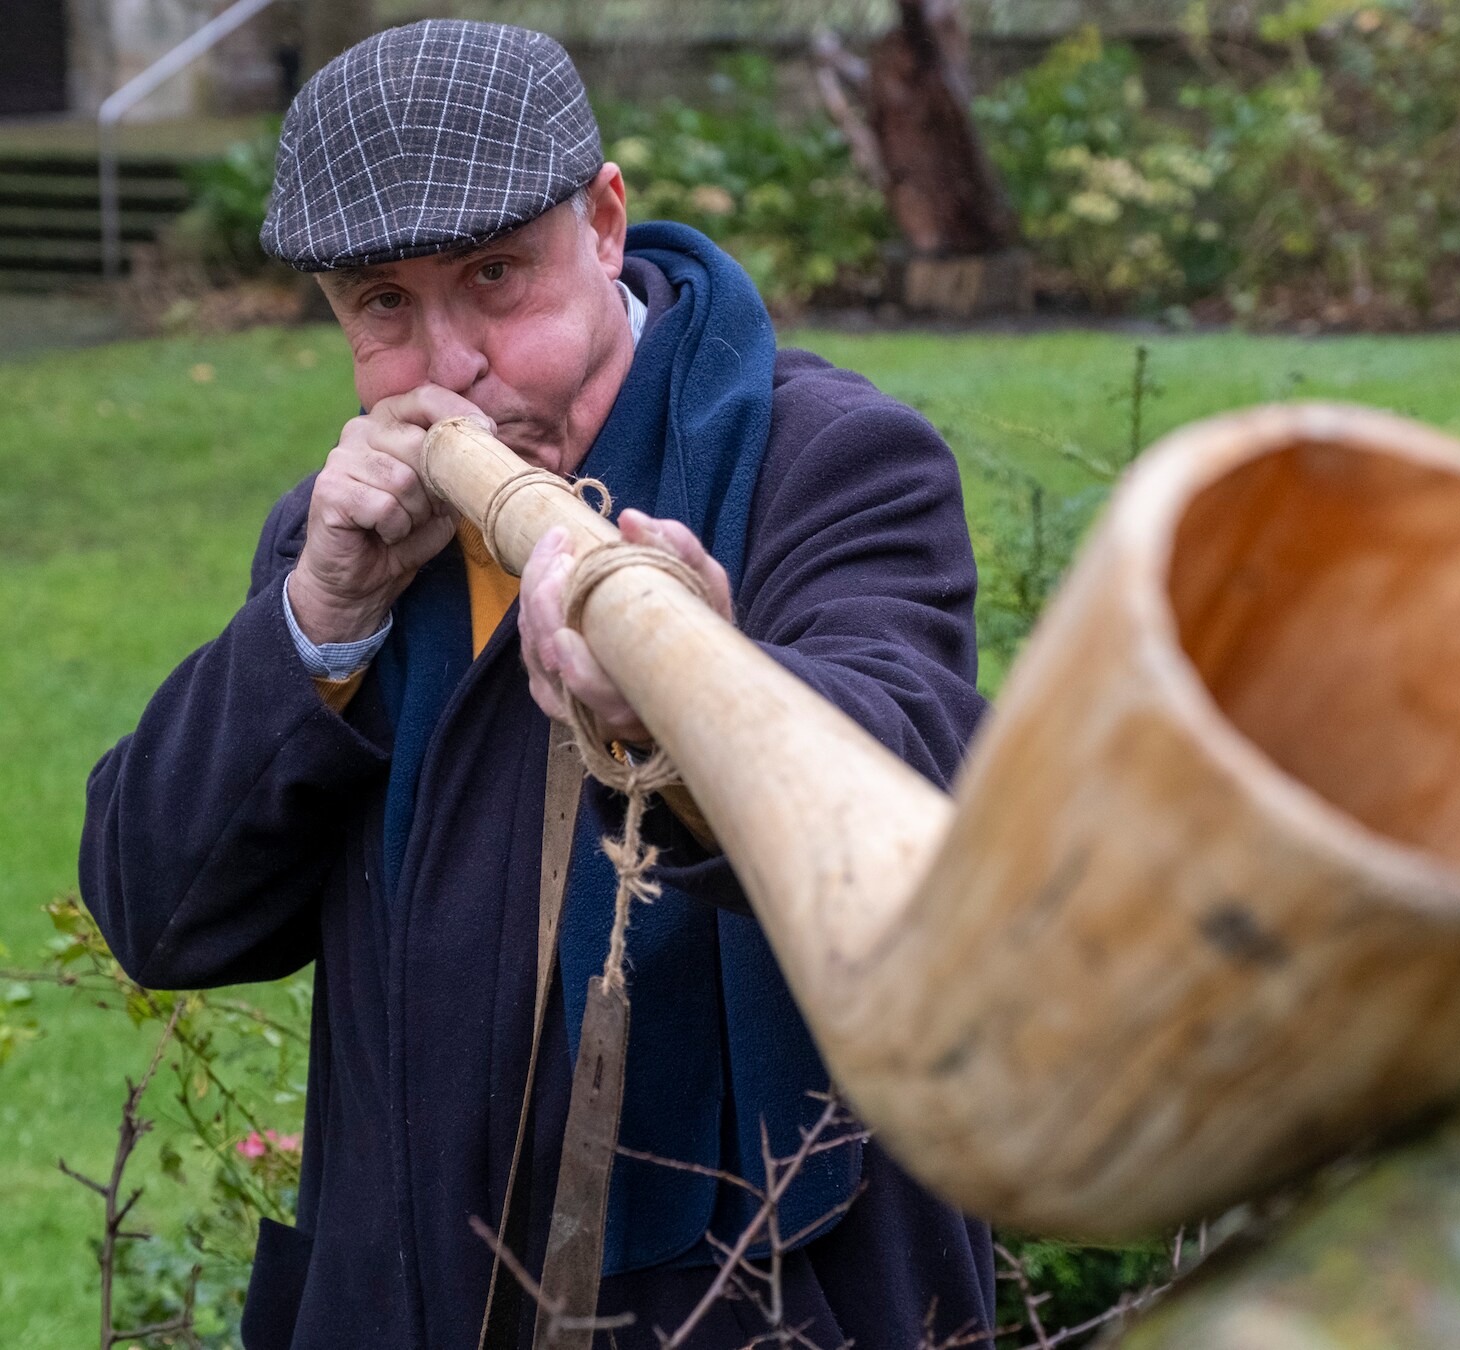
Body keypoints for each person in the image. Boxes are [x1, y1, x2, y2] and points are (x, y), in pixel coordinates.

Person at [80, 20, 994, 1350]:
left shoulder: (834, 464)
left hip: (743, 1312)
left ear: (608, 222)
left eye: (496, 275)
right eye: (383, 302)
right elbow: (160, 914)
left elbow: (924, 823)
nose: (448, 364)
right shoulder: (351, 538)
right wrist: (315, 623)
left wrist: (705, 702)